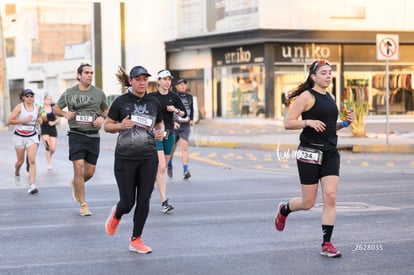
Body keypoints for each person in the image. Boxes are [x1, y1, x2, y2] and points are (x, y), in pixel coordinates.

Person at [274, 60, 354, 258]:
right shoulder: (306, 96)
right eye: (324, 73)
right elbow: (288, 123)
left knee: (331, 196)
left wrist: (344, 123)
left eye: (330, 72)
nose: (328, 76)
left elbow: (327, 126)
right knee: (308, 203)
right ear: (313, 77)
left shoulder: (331, 96)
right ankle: (284, 209)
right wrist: (307, 121)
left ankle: (327, 243)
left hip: (330, 153)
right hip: (309, 153)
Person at [104, 65, 164, 254]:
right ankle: (117, 213)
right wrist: (120, 125)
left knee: (144, 199)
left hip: (148, 157)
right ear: (130, 81)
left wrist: (161, 132)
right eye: (138, 79)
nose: (142, 82)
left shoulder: (154, 102)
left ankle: (136, 239)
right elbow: (107, 126)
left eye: (145, 79)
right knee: (128, 202)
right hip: (125, 158)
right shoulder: (121, 102)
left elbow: (160, 124)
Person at [54, 63, 108, 216]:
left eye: (91, 73)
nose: (90, 75)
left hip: (93, 136)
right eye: (86, 73)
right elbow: (56, 108)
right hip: (76, 134)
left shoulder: (99, 93)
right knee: (78, 167)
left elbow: (106, 110)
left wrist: (101, 118)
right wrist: (65, 114)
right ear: (79, 75)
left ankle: (76, 184)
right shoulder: (69, 93)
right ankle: (83, 205)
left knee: (89, 173)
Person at [150, 70, 186, 213]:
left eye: (169, 79)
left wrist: (175, 110)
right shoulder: (152, 96)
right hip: (156, 133)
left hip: (169, 133)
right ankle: (164, 202)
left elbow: (184, 113)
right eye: (164, 79)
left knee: (161, 169)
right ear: (158, 81)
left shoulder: (174, 96)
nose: (167, 82)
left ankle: (147, 186)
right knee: (163, 166)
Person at [7, 89, 42, 194]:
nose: (29, 98)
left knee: (32, 160)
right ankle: (17, 172)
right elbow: (9, 121)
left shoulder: (37, 107)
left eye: (31, 96)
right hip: (19, 136)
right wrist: (23, 120)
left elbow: (39, 117)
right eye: (27, 96)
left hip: (32, 135)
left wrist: (39, 120)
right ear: (23, 97)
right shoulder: (19, 107)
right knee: (20, 161)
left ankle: (32, 185)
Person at [167, 78, 194, 179]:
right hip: (175, 125)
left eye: (184, 84)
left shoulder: (189, 97)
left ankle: (185, 170)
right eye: (180, 84)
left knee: (184, 147)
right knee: (172, 148)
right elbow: (169, 111)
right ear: (176, 86)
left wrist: (191, 119)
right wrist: (173, 122)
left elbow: (191, 109)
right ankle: (169, 163)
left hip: (185, 125)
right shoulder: (173, 97)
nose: (183, 86)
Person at [40, 95, 60, 170]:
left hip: (52, 129)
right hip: (44, 129)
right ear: (44, 100)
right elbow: (39, 120)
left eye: (50, 99)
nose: (48, 101)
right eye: (47, 99)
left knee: (53, 149)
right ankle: (49, 164)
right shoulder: (41, 110)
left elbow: (58, 119)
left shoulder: (53, 109)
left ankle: (49, 156)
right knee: (48, 147)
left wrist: (53, 122)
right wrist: (42, 119)